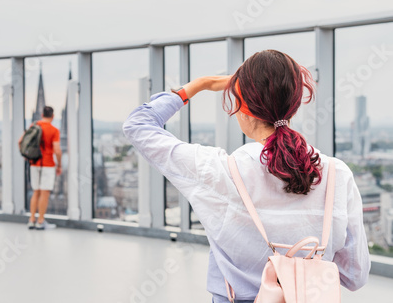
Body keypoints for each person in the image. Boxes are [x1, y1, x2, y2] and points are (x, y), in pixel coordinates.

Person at [123, 50, 370, 303]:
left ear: (241, 105)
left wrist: (199, 85)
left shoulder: (220, 171)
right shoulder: (338, 174)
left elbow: (138, 125)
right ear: (294, 104)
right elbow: (355, 275)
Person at [19, 106, 62, 230]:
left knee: (35, 192)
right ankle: (40, 221)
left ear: (42, 114)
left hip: (34, 163)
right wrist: (59, 165)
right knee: (45, 193)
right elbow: (57, 150)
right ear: (53, 116)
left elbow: (20, 141)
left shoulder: (34, 126)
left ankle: (31, 220)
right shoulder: (54, 130)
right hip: (48, 164)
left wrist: (27, 156)